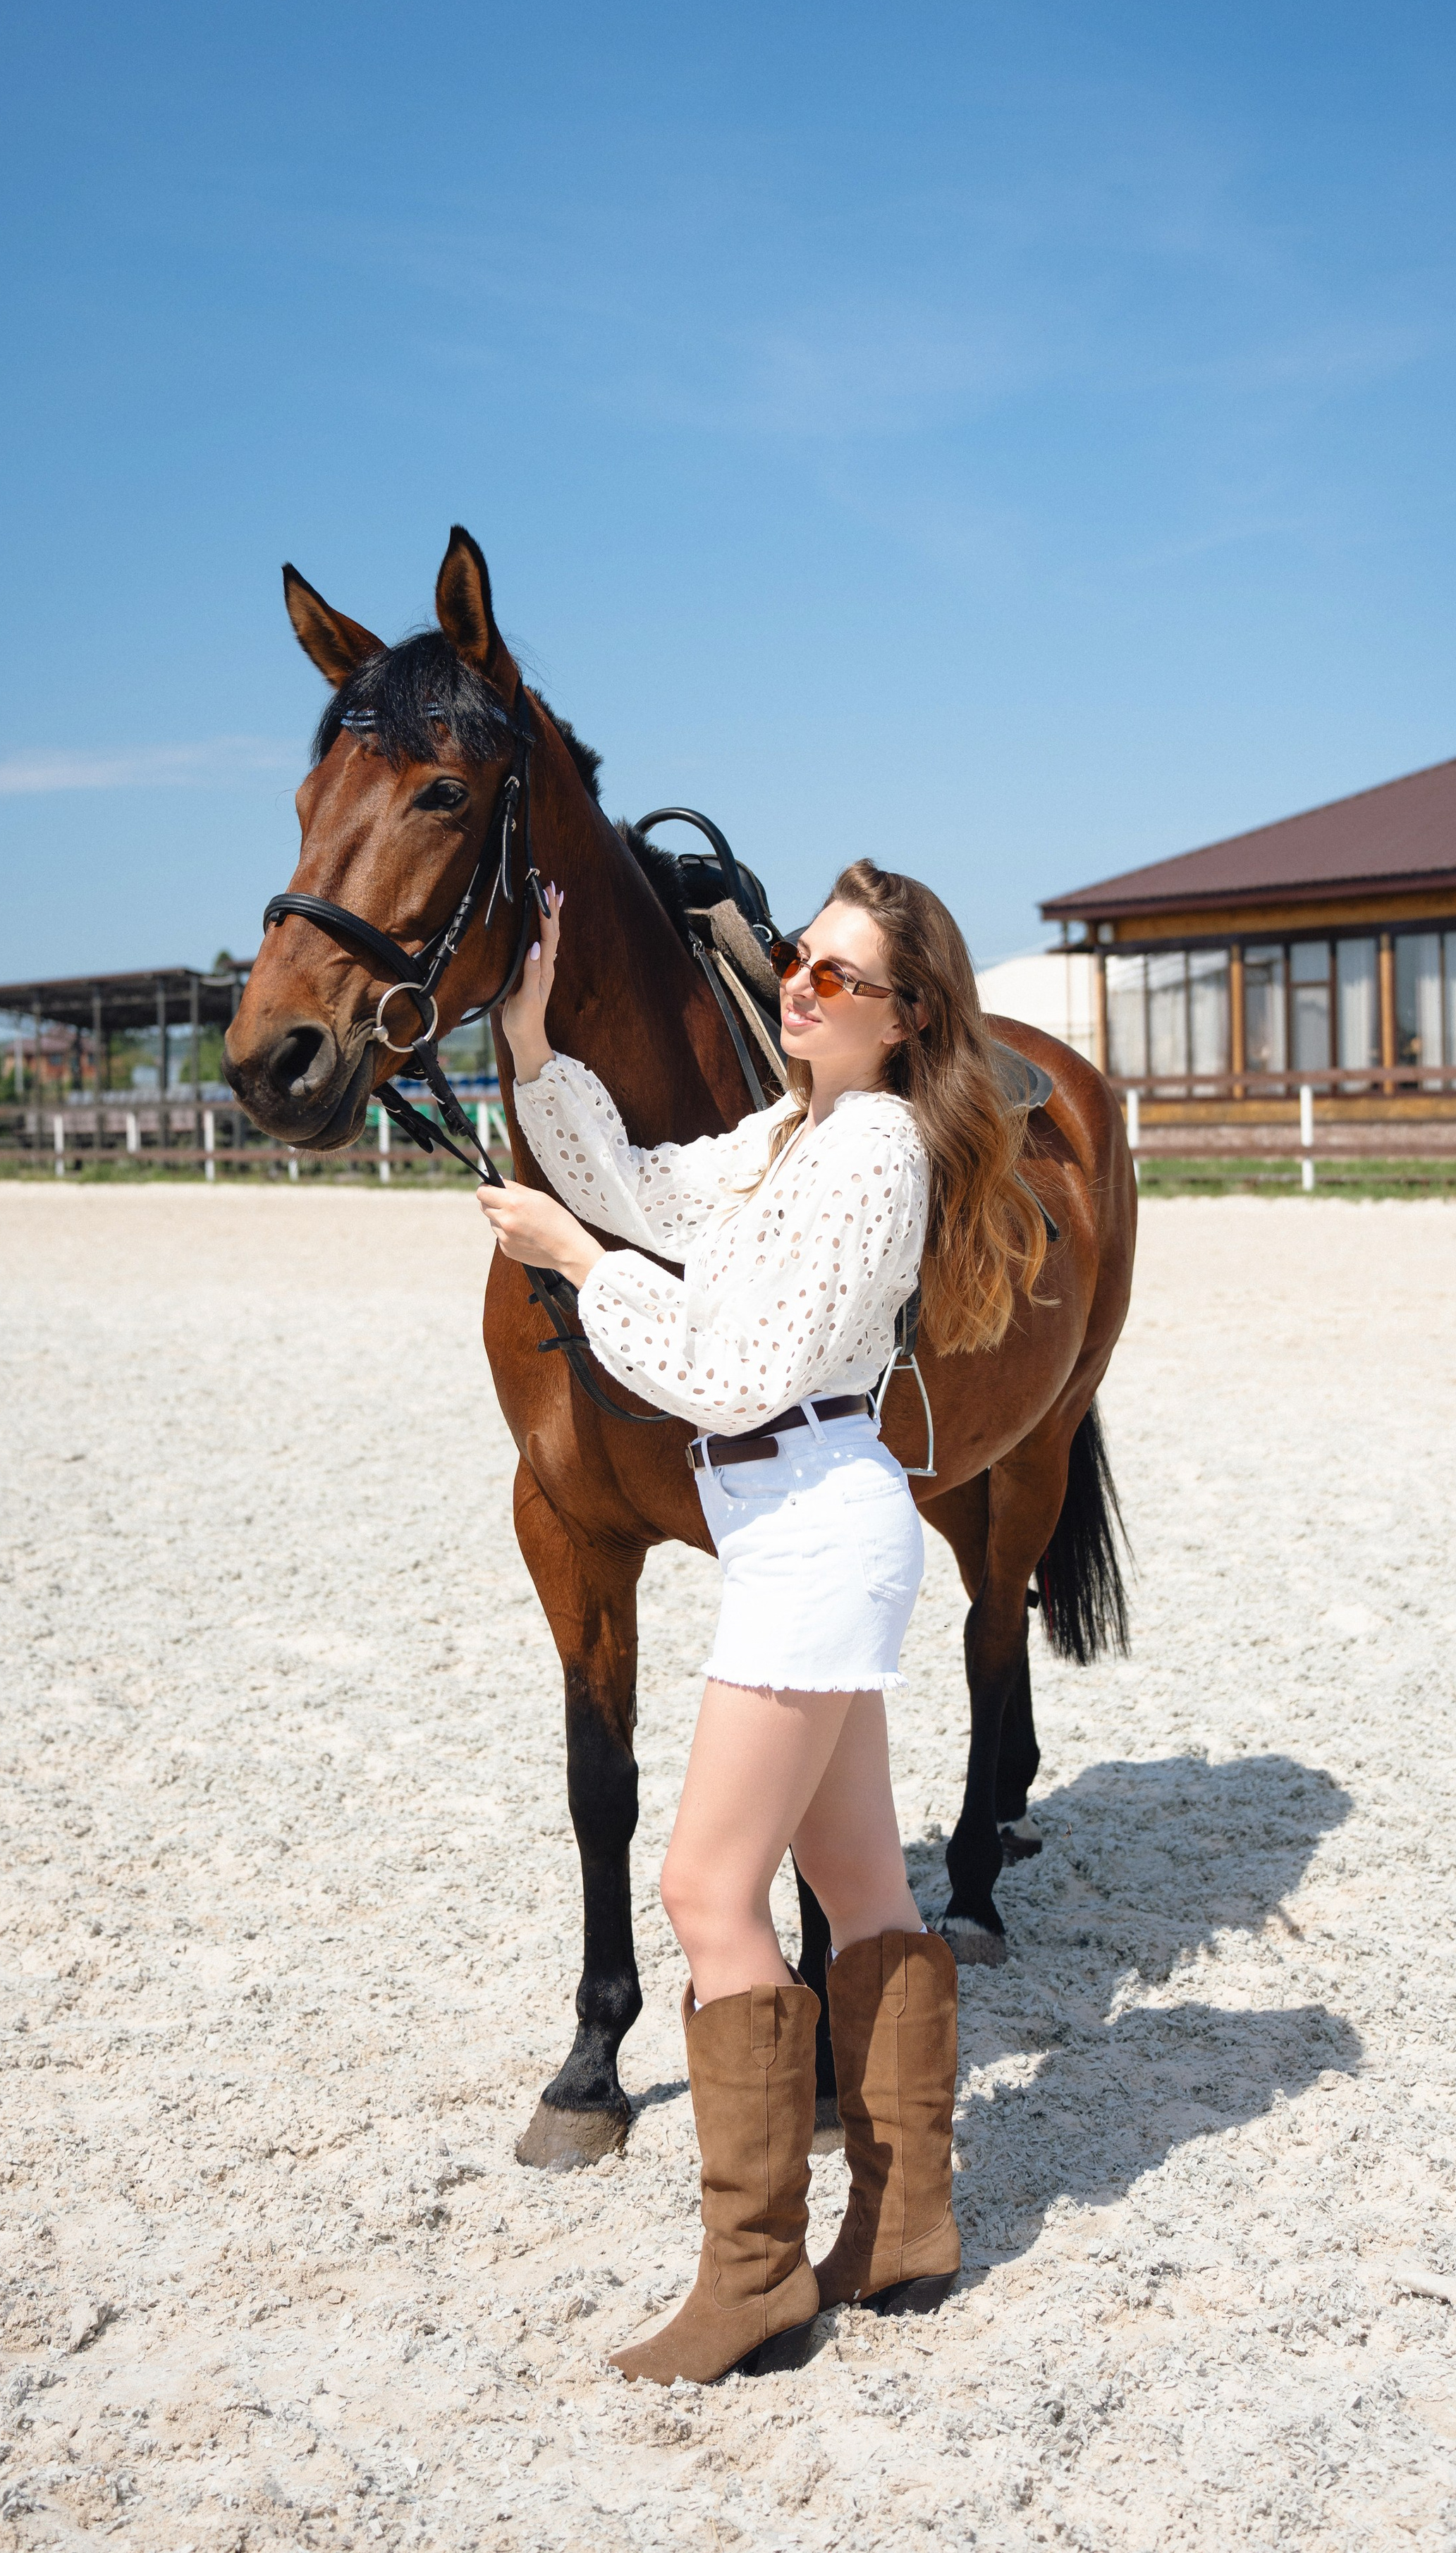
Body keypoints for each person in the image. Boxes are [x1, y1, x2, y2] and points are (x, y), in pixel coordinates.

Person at [477, 858, 1048, 2385]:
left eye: (837, 978)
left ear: (905, 1017)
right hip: (801, 1527)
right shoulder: (793, 1131)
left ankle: (751, 2276)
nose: (797, 986)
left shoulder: (868, 1155)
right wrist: (535, 1053)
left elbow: (731, 1374)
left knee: (700, 1895)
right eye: (800, 960)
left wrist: (579, 1269)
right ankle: (904, 2224)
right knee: (862, 1886)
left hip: (810, 1531)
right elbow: (648, 1188)